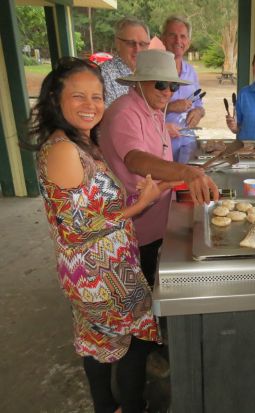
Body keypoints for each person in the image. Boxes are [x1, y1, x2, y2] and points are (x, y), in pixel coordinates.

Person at [24, 57, 162, 412]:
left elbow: (92, 205)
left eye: (97, 97)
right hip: (98, 274)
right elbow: (78, 228)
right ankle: (131, 406)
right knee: (128, 345)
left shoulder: (80, 142)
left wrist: (137, 196)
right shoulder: (65, 150)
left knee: (97, 342)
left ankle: (106, 405)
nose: (91, 106)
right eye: (79, 97)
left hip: (104, 268)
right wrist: (140, 204)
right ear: (56, 99)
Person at [100, 49, 219, 288]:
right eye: (161, 84)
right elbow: (135, 159)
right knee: (141, 288)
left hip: (158, 218)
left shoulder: (152, 109)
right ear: (140, 81)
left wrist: (188, 173)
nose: (167, 92)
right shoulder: (125, 112)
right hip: (136, 226)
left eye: (172, 86)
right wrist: (186, 173)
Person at [161, 15, 205, 164]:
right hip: (160, 148)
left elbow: (199, 105)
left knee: (185, 187)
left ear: (188, 42)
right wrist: (171, 107)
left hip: (188, 145)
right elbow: (141, 112)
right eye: (172, 35)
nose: (178, 41)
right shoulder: (153, 71)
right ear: (163, 38)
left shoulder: (191, 72)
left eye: (183, 36)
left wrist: (198, 112)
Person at [100, 17, 150, 107]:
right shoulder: (104, 76)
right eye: (131, 43)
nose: (137, 49)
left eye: (142, 44)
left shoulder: (150, 73)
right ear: (117, 44)